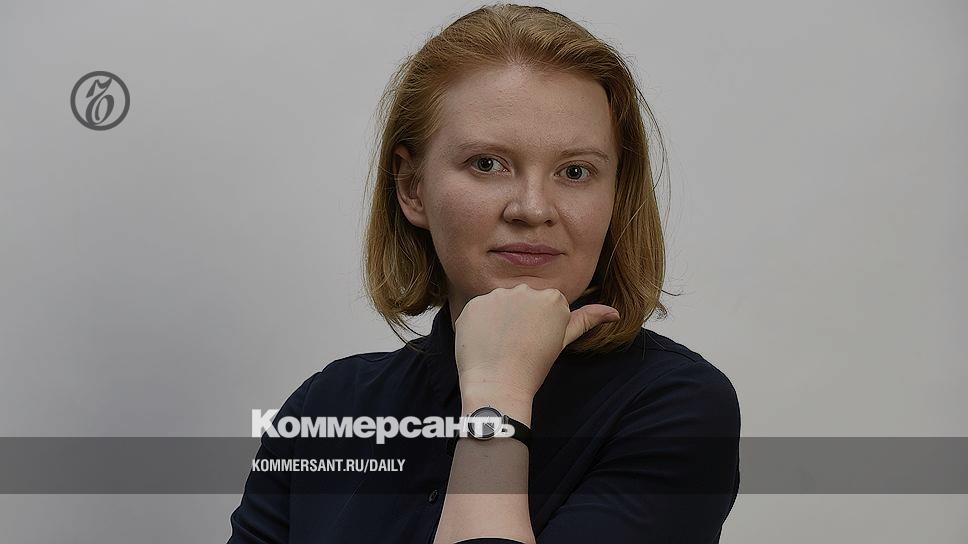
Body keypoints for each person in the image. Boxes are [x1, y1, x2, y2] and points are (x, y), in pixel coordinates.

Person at [227, 4, 740, 543]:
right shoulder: (328, 406)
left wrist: (498, 396)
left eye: (575, 171)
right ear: (411, 187)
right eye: (487, 164)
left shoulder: (677, 408)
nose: (533, 208)